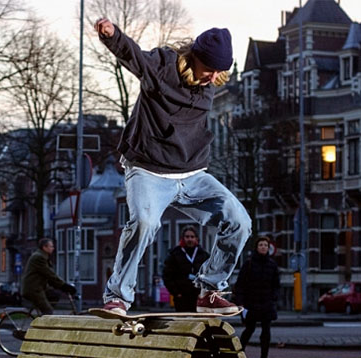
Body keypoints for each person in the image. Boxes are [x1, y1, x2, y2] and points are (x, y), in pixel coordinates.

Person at [94, 17, 251, 316]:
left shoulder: (213, 79)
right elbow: (134, 56)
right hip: (148, 170)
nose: (213, 78)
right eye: (209, 70)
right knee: (144, 223)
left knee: (240, 221)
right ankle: (117, 297)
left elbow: (212, 77)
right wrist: (112, 36)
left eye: (220, 73)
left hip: (192, 174)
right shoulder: (163, 66)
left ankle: (210, 290)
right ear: (194, 58)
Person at [233, 236, 280, 358]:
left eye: (265, 245)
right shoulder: (248, 264)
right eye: (261, 245)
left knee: (266, 330)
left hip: (266, 302)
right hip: (251, 302)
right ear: (257, 247)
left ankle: (264, 357)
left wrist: (274, 297)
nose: (263, 247)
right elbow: (240, 284)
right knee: (249, 329)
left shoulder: (272, 265)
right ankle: (239, 354)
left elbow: (276, 284)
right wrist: (240, 302)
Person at [21, 238, 76, 315]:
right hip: (33, 289)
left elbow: (50, 278)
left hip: (39, 288)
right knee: (48, 310)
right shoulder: (39, 257)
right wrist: (64, 285)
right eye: (51, 246)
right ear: (44, 247)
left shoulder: (44, 257)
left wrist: (61, 287)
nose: (53, 248)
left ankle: (44, 317)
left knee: (55, 295)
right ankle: (43, 322)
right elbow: (49, 274)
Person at [162, 226, 210, 312]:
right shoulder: (175, 254)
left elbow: (209, 274)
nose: (189, 239)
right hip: (182, 297)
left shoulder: (203, 255)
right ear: (183, 238)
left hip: (198, 296)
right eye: (187, 237)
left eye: (192, 237)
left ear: (196, 238)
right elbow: (167, 275)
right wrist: (176, 293)